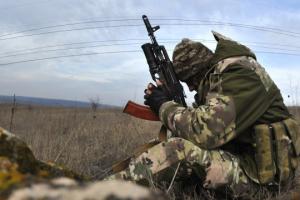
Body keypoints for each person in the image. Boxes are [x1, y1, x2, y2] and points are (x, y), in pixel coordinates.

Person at [105, 31, 300, 198]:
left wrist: (163, 105)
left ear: (201, 71)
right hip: (247, 163)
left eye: (190, 80)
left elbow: (203, 132)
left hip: (263, 180)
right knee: (163, 143)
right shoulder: (225, 78)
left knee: (177, 148)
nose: (190, 88)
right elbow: (203, 123)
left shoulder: (240, 74)